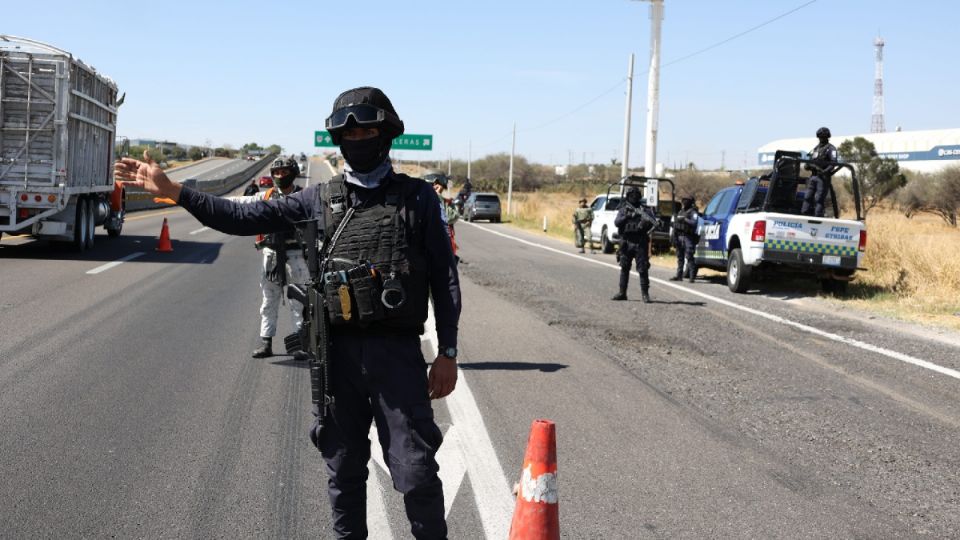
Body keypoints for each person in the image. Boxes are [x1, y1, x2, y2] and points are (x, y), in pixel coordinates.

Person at [114, 86, 460, 539]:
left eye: (367, 130)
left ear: (387, 134)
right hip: (337, 357)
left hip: (397, 356)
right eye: (349, 133)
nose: (358, 139)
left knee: (417, 473)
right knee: (343, 472)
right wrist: (174, 190)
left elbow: (444, 277)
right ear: (338, 139)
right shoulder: (317, 199)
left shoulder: (418, 199)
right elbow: (240, 218)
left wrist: (448, 352)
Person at [234, 158, 310, 359]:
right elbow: (239, 202)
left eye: (284, 172)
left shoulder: (304, 196)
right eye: (276, 172)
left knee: (299, 302)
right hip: (272, 256)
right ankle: (266, 343)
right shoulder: (266, 196)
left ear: (293, 173)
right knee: (269, 301)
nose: (280, 176)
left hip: (296, 256)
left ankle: (301, 344)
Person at [611, 187, 658, 303]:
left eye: (636, 195)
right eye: (631, 195)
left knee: (643, 269)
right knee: (624, 267)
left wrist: (645, 224)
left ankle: (645, 294)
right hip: (626, 243)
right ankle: (622, 293)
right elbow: (617, 223)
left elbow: (654, 224)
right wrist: (627, 216)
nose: (634, 197)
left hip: (640, 242)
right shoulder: (623, 209)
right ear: (627, 196)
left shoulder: (645, 210)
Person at [800, 126, 839, 217]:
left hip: (823, 178)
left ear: (827, 137)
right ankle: (804, 214)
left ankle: (817, 217)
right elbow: (811, 161)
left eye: (823, 137)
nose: (821, 139)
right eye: (820, 137)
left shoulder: (831, 148)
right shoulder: (816, 148)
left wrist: (825, 171)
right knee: (807, 197)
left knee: (819, 199)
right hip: (813, 176)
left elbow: (834, 163)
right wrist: (808, 165)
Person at [670, 196, 700, 283]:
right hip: (679, 236)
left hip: (688, 237)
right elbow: (676, 224)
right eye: (683, 200)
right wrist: (674, 237)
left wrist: (685, 219)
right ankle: (679, 275)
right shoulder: (681, 211)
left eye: (686, 200)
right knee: (680, 257)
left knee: (689, 257)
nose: (684, 202)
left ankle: (692, 277)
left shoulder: (693, 212)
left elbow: (694, 223)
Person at [432, 176, 460, 257]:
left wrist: (438, 196)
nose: (434, 187)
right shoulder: (421, 198)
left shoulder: (446, 201)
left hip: (444, 244)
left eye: (436, 184)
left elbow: (450, 217)